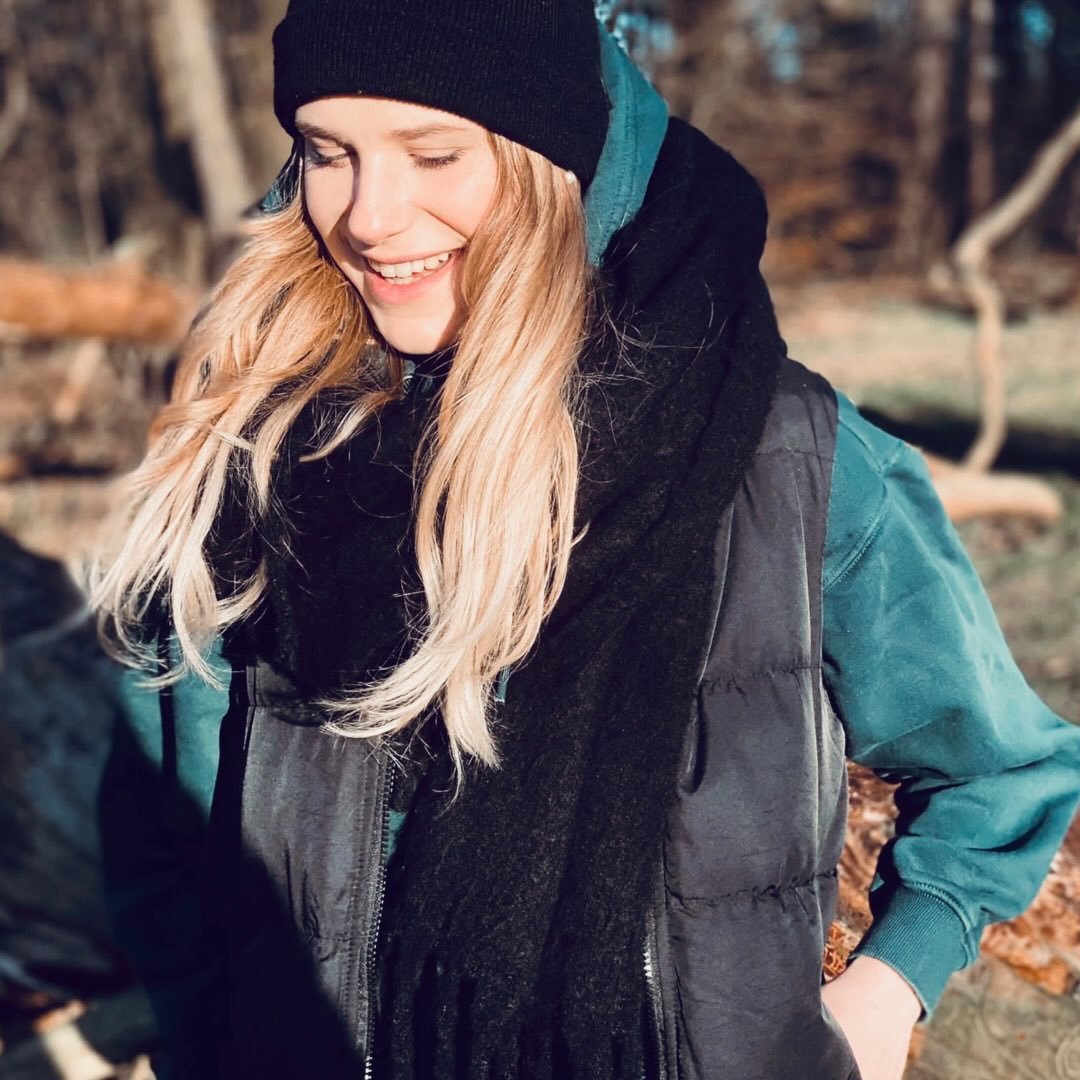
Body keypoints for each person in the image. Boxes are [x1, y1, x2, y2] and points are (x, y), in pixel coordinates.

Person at [91, 2, 1080, 1078]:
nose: (370, 216)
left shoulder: (780, 458)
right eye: (329, 153)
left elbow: (1005, 769)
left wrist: (891, 985)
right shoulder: (254, 453)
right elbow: (164, 834)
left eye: (433, 153)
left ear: (548, 158)